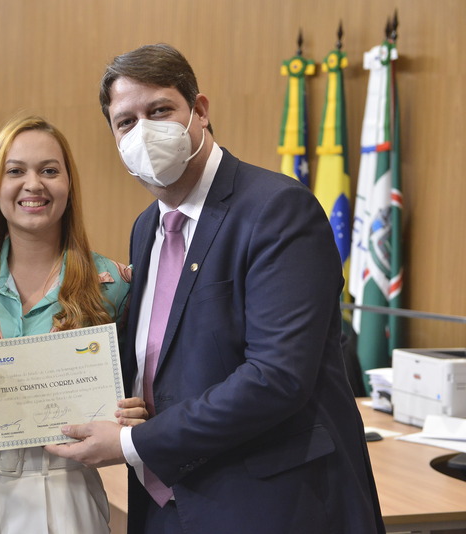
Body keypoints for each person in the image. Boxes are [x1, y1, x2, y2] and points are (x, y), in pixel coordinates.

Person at [45, 43, 386, 534]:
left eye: (159, 110)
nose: (144, 131)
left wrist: (129, 444)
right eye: (126, 122)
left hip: (269, 507)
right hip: (168, 503)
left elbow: (276, 377)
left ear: (199, 111)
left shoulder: (277, 210)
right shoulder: (147, 227)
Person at [0, 115, 144, 534]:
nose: (33, 184)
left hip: (66, 484)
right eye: (15, 171)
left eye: (49, 170)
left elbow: (138, 392)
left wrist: (136, 412)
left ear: (69, 185)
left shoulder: (115, 285)